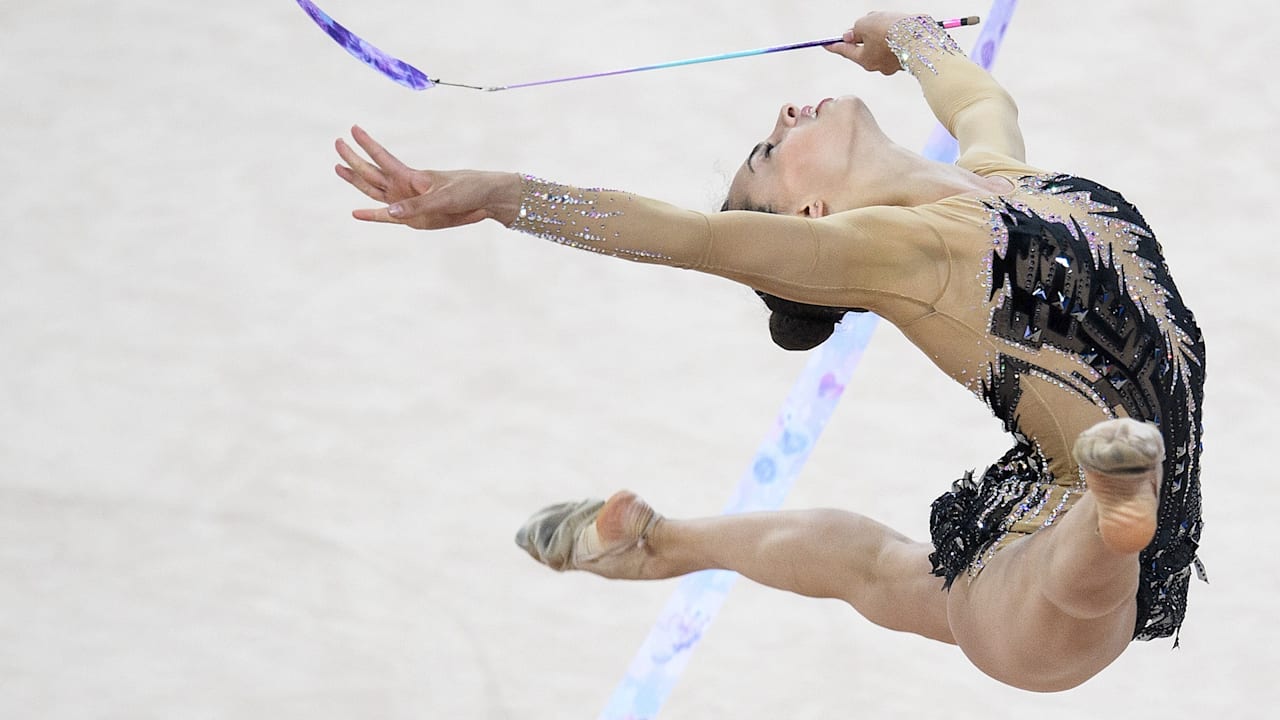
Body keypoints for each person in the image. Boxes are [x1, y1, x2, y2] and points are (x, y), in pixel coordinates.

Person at [331, 11, 1205, 692]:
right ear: (811, 222)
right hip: (1063, 566)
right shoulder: (897, 253)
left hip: (1061, 503)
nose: (785, 114)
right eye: (770, 151)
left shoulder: (1009, 182)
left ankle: (661, 544)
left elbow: (980, 103)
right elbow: (689, 237)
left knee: (876, 571)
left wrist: (906, 36)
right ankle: (1112, 511)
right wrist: (503, 193)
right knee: (1068, 582)